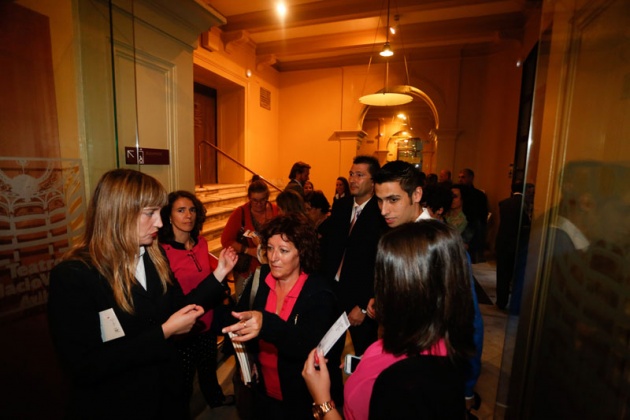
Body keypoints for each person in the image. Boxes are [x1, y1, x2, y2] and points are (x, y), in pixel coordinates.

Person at [47, 169, 237, 419]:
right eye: (150, 213)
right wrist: (164, 332)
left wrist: (219, 274)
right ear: (119, 214)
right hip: (117, 404)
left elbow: (181, 308)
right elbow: (85, 366)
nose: (159, 223)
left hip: (167, 398)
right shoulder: (75, 275)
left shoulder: (154, 258)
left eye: (160, 212)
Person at [303, 221, 476, 420]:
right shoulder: (435, 340)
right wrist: (366, 367)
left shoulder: (407, 382)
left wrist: (322, 401)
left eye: (384, 278)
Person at [373, 161, 484, 416]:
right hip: (399, 363)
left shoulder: (442, 244)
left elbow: (470, 322)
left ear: (417, 194)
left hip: (433, 371)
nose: (384, 210)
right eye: (379, 201)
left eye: (392, 200)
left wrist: (466, 388)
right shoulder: (394, 233)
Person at [223, 213, 344, 419]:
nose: (273, 257)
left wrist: (266, 324)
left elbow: (309, 346)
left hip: (302, 398)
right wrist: (248, 357)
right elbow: (238, 321)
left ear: (301, 253)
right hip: (263, 395)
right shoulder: (261, 281)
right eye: (270, 248)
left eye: (283, 250)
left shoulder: (319, 293)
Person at [158, 190, 235, 410]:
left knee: (208, 368)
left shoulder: (200, 243)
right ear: (169, 216)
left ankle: (215, 398)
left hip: (207, 320)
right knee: (182, 383)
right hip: (183, 329)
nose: (188, 215)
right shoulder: (163, 252)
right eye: (181, 210)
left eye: (192, 210)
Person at [320, 155, 387, 356]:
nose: (352, 179)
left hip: (360, 299)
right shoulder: (341, 206)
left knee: (364, 355)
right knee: (328, 352)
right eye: (351, 174)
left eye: (360, 175)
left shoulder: (381, 213)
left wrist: (364, 306)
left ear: (373, 182)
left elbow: (380, 265)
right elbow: (329, 249)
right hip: (332, 291)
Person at [221, 177, 279, 295]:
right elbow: (226, 240)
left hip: (273, 268)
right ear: (249, 198)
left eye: (262, 200)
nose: (259, 204)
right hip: (247, 270)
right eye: (254, 200)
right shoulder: (240, 213)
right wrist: (248, 250)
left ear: (267, 198)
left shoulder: (275, 210)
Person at [494, 182, 530, 310]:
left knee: (502, 273)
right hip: (518, 243)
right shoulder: (524, 205)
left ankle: (501, 301)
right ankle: (514, 303)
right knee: (516, 274)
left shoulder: (504, 203)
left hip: (503, 241)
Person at [458, 168, 489, 262]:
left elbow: (482, 216)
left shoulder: (479, 195)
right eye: (459, 177)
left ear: (471, 178)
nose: (460, 179)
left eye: (463, 177)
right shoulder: (455, 192)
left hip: (472, 231)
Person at [446, 184, 475, 249]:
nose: (452, 199)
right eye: (450, 196)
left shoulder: (469, 219)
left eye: (455, 196)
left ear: (463, 198)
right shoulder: (443, 215)